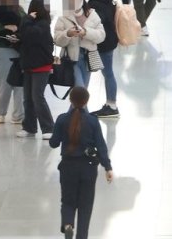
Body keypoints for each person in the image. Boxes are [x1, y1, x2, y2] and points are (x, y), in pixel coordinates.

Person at [49, 86, 113, 239]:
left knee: (67, 201)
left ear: (70, 100)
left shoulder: (62, 119)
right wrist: (107, 167)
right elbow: (101, 146)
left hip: (68, 166)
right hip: (88, 168)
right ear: (86, 102)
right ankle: (81, 236)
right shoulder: (92, 121)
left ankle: (68, 224)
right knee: (85, 206)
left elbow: (53, 143)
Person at [14, 0, 55, 139]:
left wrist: (26, 19)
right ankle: (29, 127)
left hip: (41, 65)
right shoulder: (30, 23)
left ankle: (49, 127)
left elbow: (31, 35)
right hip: (29, 65)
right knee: (28, 98)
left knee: (37, 97)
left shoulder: (43, 24)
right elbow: (25, 38)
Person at [83, 0, 122, 118]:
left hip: (101, 43)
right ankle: (111, 104)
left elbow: (95, 22)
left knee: (90, 73)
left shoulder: (96, 3)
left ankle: (110, 106)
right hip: (110, 40)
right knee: (108, 73)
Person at [54, 0, 105, 93]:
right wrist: (68, 33)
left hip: (88, 57)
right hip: (71, 59)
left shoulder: (92, 15)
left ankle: (74, 110)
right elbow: (57, 40)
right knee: (80, 89)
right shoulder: (63, 18)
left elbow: (101, 36)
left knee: (83, 90)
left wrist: (86, 32)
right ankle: (81, 110)